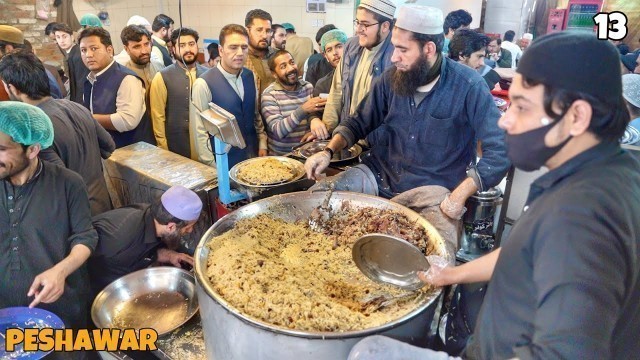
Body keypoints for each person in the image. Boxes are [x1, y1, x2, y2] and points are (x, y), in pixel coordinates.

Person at [350, 31, 640, 360]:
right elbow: (527, 250)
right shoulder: (611, 168)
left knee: (367, 352)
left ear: (577, 117)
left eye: (522, 107)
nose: (505, 121)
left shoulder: (581, 216)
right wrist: (451, 274)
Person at [305, 5, 509, 257]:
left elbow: (500, 152)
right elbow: (359, 121)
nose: (393, 57)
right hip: (378, 175)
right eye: (394, 47)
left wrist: (459, 196)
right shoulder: (392, 79)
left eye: (402, 50)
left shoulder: (468, 86)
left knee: (437, 261)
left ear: (429, 49)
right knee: (314, 202)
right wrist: (327, 151)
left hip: (433, 193)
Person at [0, 101, 98, 334]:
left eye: (2, 149)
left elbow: (85, 237)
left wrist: (60, 271)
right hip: (5, 315)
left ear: (32, 150)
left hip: (60, 310)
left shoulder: (68, 183)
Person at [0, 51, 115, 216]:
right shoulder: (77, 107)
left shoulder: (34, 131)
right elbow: (109, 147)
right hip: (104, 207)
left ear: (11, 87)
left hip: (75, 221)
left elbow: (58, 185)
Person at [89, 186, 202, 294]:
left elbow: (145, 250)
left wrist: (168, 255)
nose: (190, 231)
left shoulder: (155, 219)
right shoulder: (121, 242)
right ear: (171, 226)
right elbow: (120, 287)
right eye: (188, 227)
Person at [190, 24, 268, 167]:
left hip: (252, 155)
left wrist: (262, 142)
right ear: (221, 50)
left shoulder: (249, 76)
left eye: (244, 48)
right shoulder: (203, 84)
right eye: (233, 47)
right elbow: (200, 133)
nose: (239, 53)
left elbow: (255, 114)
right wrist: (213, 168)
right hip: (224, 161)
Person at [322, 0, 396, 133]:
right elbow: (337, 91)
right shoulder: (351, 46)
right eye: (357, 22)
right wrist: (327, 131)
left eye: (365, 25)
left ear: (385, 26)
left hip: (378, 144)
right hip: (347, 138)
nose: (358, 30)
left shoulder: (396, 57)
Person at [79, 26, 155, 148]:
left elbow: (127, 121)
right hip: (107, 152)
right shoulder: (90, 80)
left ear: (109, 50)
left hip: (133, 153)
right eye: (83, 50)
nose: (88, 55)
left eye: (94, 48)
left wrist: (88, 118)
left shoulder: (126, 78)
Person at [150, 27, 208, 158]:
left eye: (191, 44)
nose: (188, 49)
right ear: (173, 49)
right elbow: (158, 117)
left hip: (207, 149)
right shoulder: (162, 77)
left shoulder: (208, 75)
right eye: (182, 45)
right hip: (176, 149)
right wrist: (163, 150)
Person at [261, 49, 326, 154]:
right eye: (283, 66)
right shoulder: (269, 95)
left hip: (306, 153)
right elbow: (278, 131)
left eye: (292, 62)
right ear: (274, 74)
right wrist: (303, 110)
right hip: (282, 157)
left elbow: (316, 116)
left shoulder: (308, 87)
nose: (291, 68)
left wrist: (313, 131)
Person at [51, 23, 90, 104]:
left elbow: (81, 82)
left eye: (64, 36)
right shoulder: (71, 53)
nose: (61, 40)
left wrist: (78, 104)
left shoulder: (78, 55)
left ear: (72, 37)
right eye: (58, 37)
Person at [120, 25, 164, 92]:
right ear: (126, 49)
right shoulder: (122, 75)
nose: (144, 51)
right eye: (137, 47)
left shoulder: (159, 66)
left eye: (146, 44)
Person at [244, 9, 276, 96]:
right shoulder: (240, 59)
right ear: (247, 31)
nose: (265, 35)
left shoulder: (278, 56)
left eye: (268, 31)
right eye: (259, 30)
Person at [312, 29, 348, 100]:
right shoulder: (323, 85)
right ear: (325, 56)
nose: (335, 53)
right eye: (329, 50)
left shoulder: (361, 75)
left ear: (348, 47)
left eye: (339, 46)